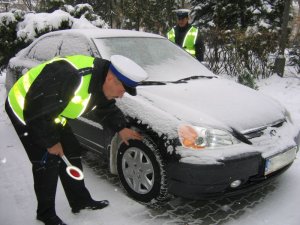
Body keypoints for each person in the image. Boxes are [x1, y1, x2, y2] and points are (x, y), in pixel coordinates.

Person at [5, 54, 148, 225]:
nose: (122, 96)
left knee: (71, 151)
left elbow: (104, 105)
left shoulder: (101, 80)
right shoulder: (70, 75)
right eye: (123, 90)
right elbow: (36, 108)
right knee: (47, 162)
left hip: (52, 114)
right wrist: (51, 142)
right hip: (26, 111)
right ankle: (45, 213)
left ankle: (80, 201)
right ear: (111, 79)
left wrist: (121, 128)